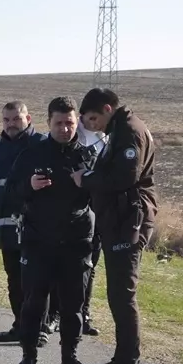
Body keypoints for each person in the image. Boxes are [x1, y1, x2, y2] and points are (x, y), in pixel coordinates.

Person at [73, 88, 158, 364]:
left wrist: (87, 179)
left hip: (128, 221)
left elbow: (125, 177)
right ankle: (121, 360)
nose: (92, 125)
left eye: (94, 118)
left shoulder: (130, 132)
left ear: (107, 109)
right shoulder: (119, 130)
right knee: (116, 294)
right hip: (119, 220)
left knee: (123, 295)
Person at [9, 96, 98, 364]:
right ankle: (28, 357)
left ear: (77, 123)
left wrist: (89, 182)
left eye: (69, 123)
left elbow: (103, 197)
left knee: (73, 304)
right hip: (39, 241)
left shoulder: (87, 157)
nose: (64, 129)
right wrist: (29, 185)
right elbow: (10, 193)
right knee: (34, 301)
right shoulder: (33, 154)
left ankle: (69, 358)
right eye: (58, 123)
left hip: (76, 241)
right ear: (48, 123)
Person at [0, 101, 48, 346]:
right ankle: (20, 325)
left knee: (36, 281)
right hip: (6, 228)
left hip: (36, 227)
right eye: (6, 120)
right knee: (14, 280)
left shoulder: (41, 144)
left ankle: (38, 329)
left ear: (28, 118)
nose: (10, 124)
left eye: (16, 119)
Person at [77, 118, 107, 337]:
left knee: (90, 267)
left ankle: (84, 315)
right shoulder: (74, 137)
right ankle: (57, 315)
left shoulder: (107, 139)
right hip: (74, 214)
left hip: (98, 213)